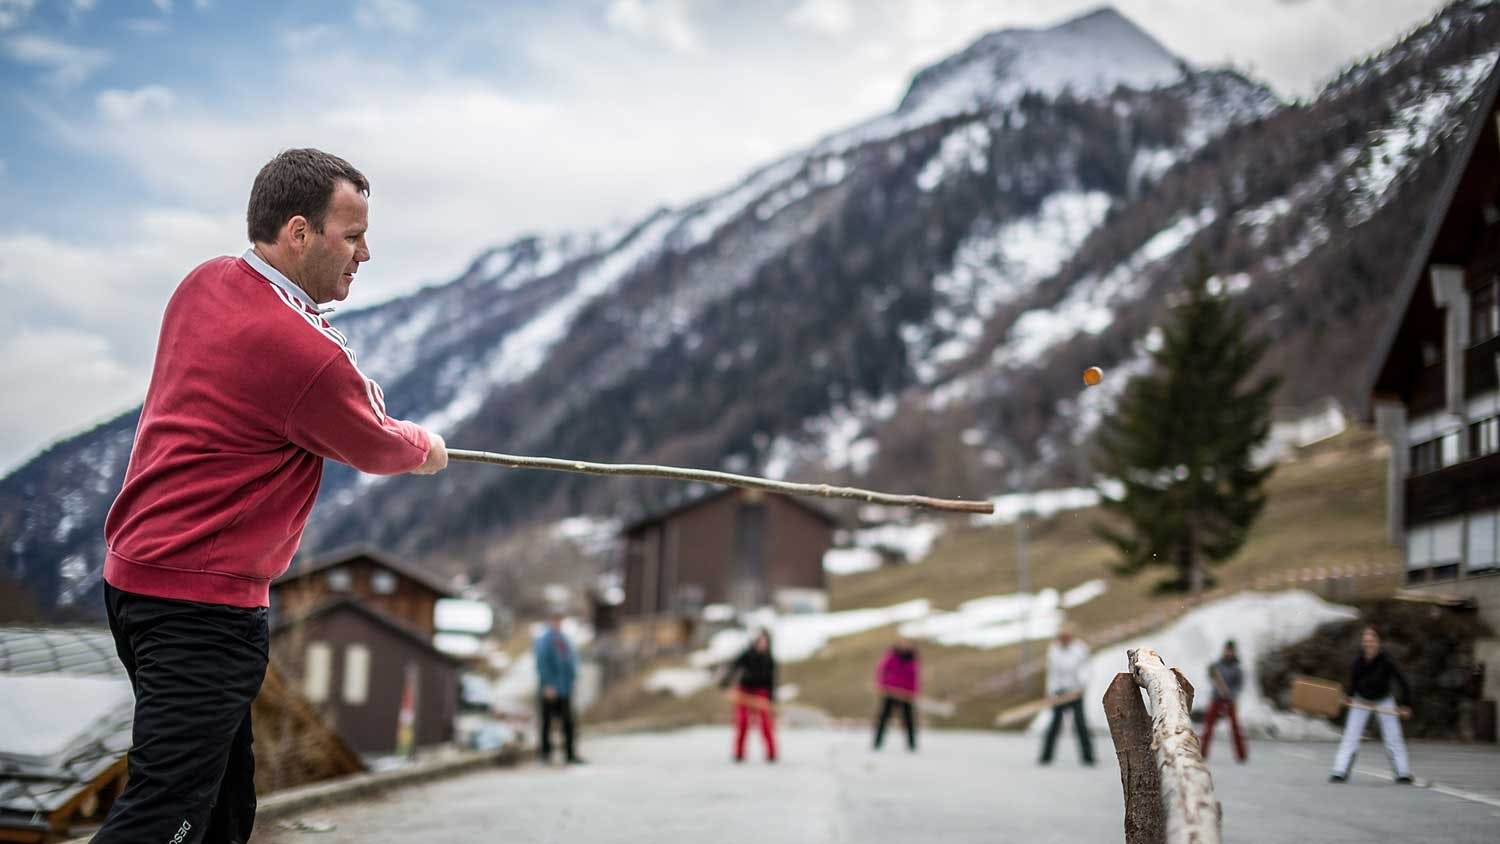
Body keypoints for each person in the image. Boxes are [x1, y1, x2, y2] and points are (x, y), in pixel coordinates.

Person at [94, 149, 448, 843]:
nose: (365, 253)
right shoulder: (302, 351)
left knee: (223, 804)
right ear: (297, 233)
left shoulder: (206, 282)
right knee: (168, 816)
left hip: (136, 581)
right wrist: (425, 448)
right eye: (352, 236)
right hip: (201, 607)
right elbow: (373, 436)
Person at [1330, 625, 1414, 784]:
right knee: (1350, 735)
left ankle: (1403, 773)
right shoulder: (1358, 662)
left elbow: (1403, 681)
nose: (1368, 644)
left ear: (1378, 642)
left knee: (1393, 737)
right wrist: (1348, 697)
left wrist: (1406, 705)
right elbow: (1353, 682)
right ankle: (1339, 771)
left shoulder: (1387, 660)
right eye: (1365, 641)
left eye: (1371, 640)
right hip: (1361, 699)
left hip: (1384, 700)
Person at [1038, 625, 1095, 766]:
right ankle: (1046, 757)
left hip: (1075, 693)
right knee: (1054, 725)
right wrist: (1051, 692)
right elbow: (1052, 674)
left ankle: (1088, 758)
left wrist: (1082, 686)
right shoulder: (1054, 650)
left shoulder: (1080, 649)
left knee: (1080, 724)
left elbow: (1086, 669)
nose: (1063, 640)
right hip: (1060, 693)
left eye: (1065, 637)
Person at [720, 630, 777, 763]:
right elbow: (733, 668)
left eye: (765, 642)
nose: (762, 644)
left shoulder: (769, 660)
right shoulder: (747, 655)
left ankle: (771, 755)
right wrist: (725, 683)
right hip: (744, 692)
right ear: (756, 642)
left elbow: (772, 681)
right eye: (760, 641)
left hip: (761, 693)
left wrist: (771, 700)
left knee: (765, 725)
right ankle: (739, 754)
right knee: (743, 722)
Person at [535, 613, 584, 764]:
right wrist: (547, 684)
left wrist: (573, 678)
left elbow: (571, 661)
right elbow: (542, 663)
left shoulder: (564, 639)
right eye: (555, 620)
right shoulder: (545, 640)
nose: (558, 623)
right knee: (547, 722)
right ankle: (545, 754)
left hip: (564, 687)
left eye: (560, 621)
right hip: (551, 687)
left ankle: (570, 754)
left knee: (568, 721)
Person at [1200, 639, 1248, 762]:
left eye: (1231, 651)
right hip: (1216, 699)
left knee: (1235, 727)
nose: (1229, 653)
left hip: (1229, 701)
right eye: (1227, 650)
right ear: (1224, 650)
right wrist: (1213, 678)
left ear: (1234, 652)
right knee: (1208, 725)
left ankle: (1241, 755)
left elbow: (1239, 686)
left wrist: (1231, 694)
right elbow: (1212, 676)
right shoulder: (1217, 665)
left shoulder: (1237, 668)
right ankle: (1201, 752)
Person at [873, 637, 920, 751]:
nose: (905, 645)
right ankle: (877, 743)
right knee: (884, 718)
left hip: (906, 694)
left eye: (907, 643)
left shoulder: (912, 658)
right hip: (891, 692)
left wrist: (914, 692)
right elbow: (881, 671)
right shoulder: (891, 657)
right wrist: (882, 685)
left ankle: (912, 745)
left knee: (909, 720)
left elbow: (915, 677)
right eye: (903, 643)